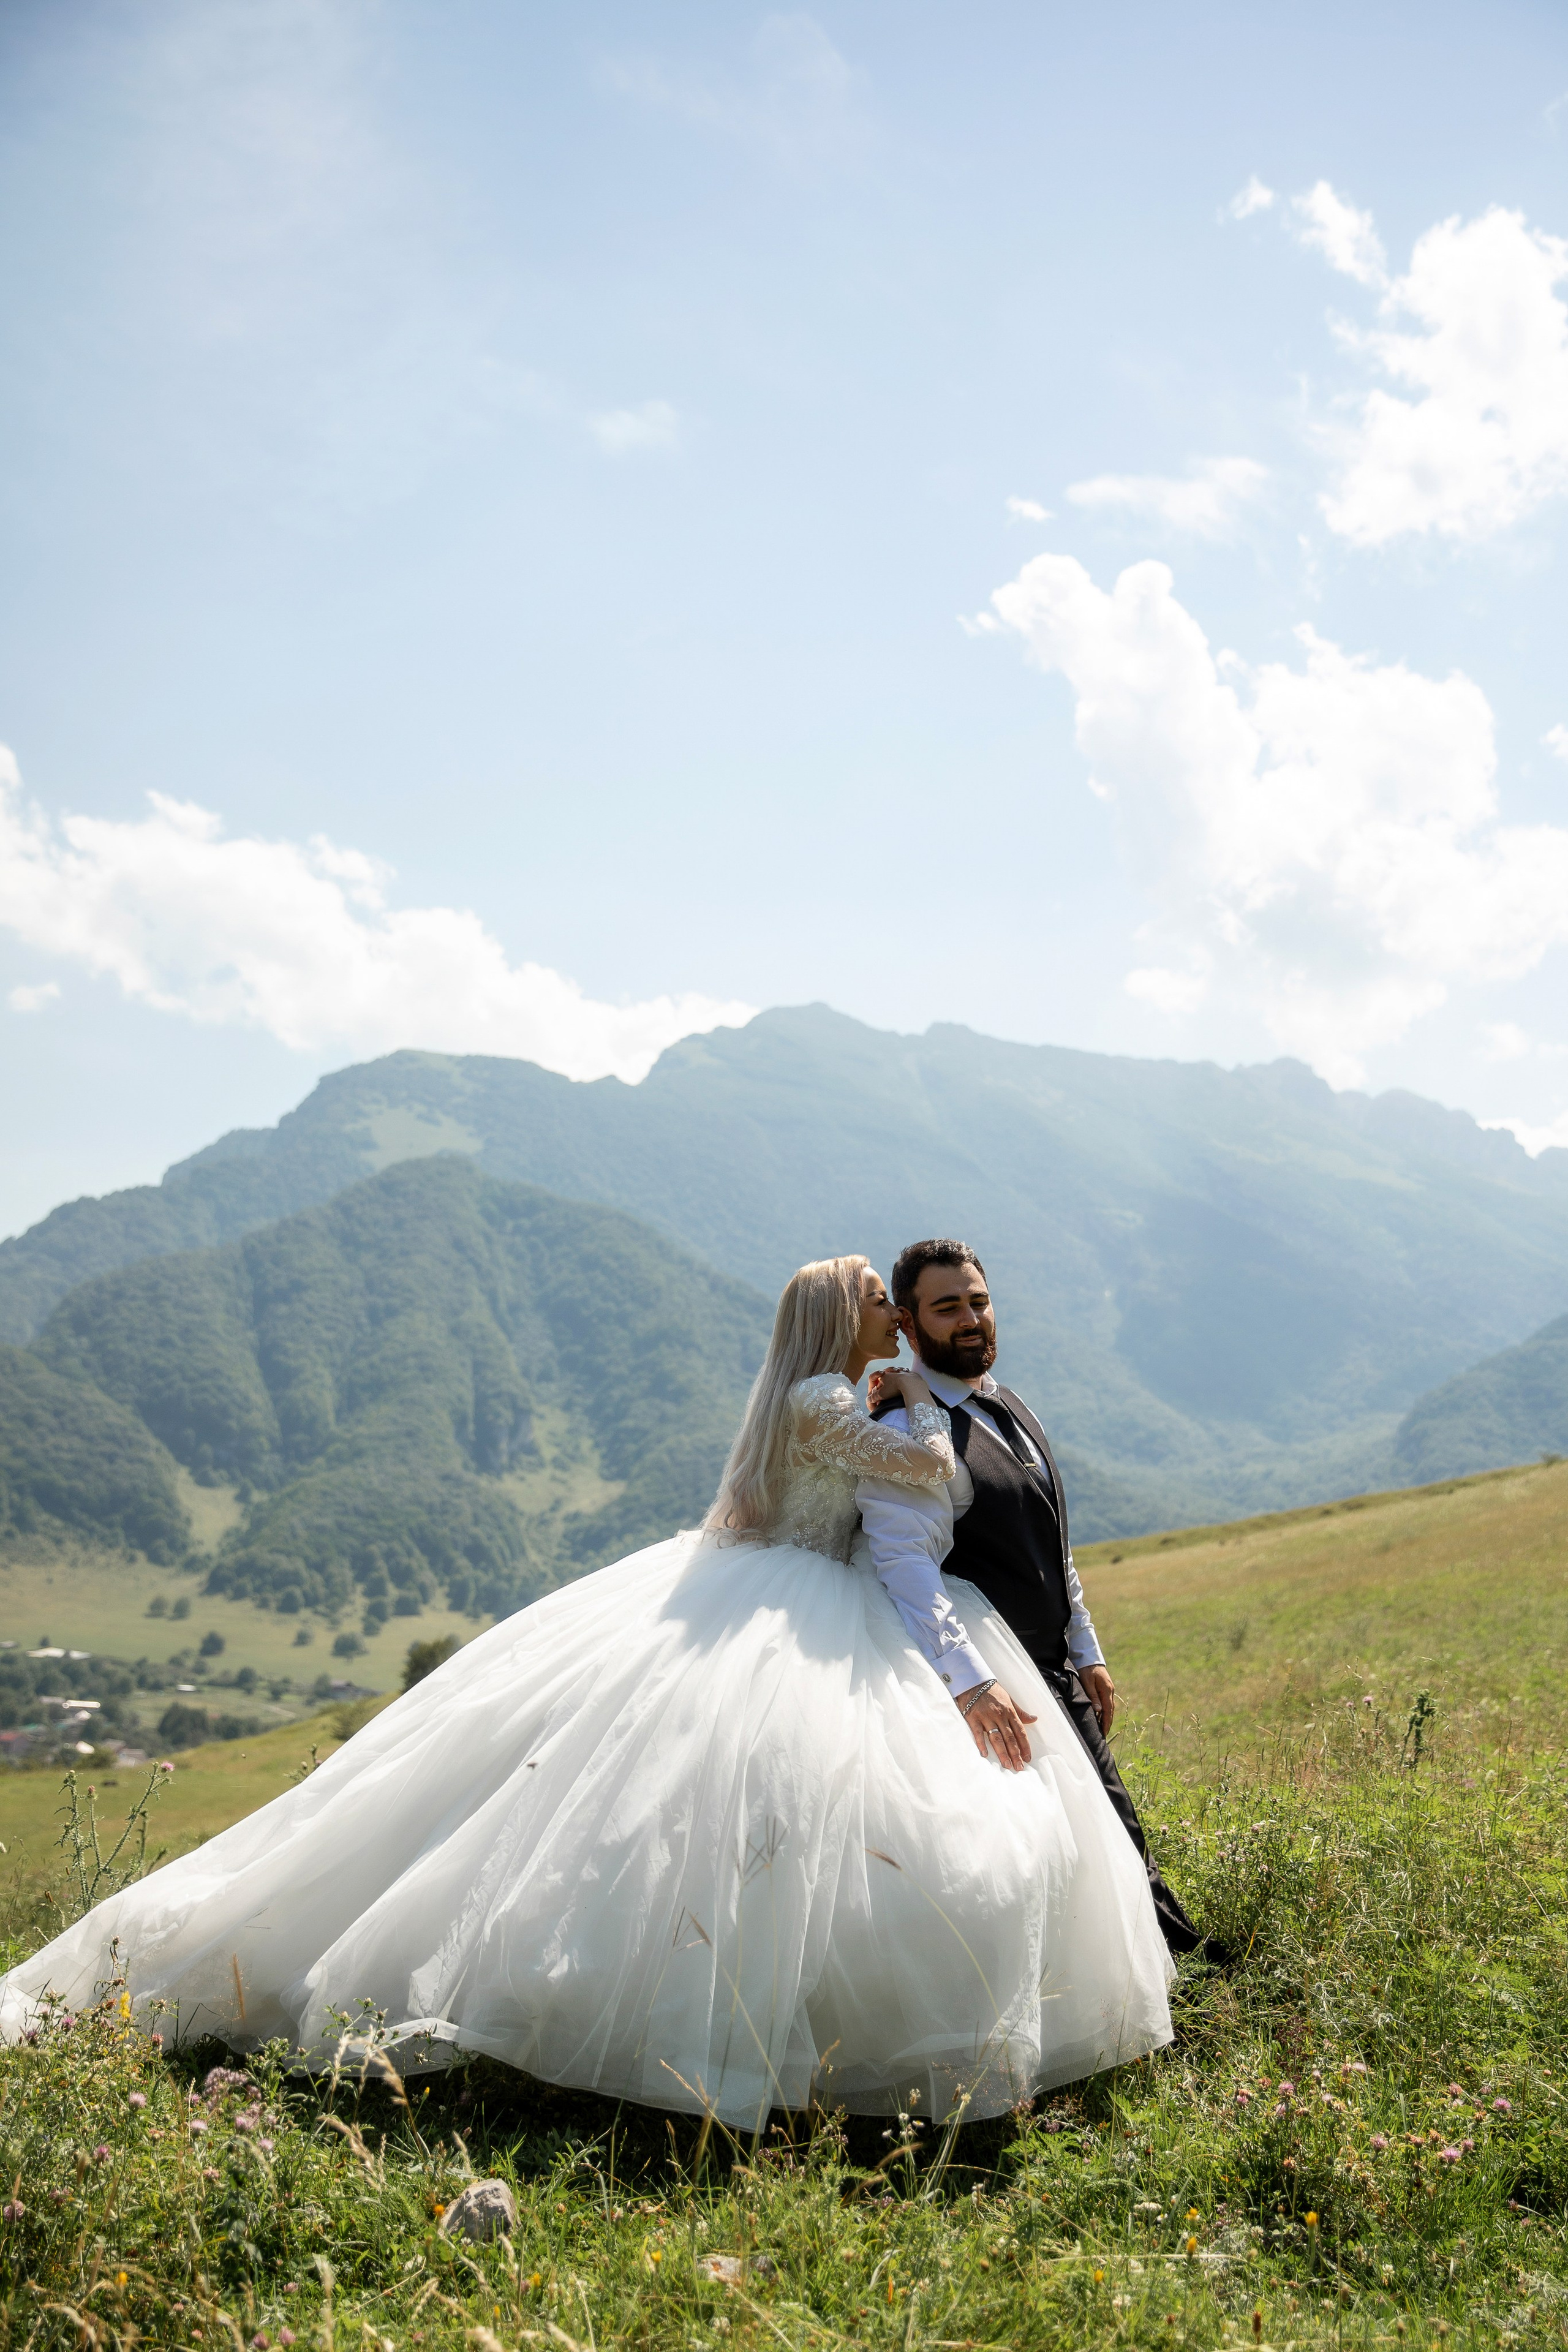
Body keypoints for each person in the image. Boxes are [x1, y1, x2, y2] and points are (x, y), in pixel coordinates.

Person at [0, 1257, 1173, 2130]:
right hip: (796, 1608)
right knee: (765, 1818)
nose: (887, 1301)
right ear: (845, 1318)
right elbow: (927, 1474)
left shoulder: (820, 1397)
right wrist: (915, 1398)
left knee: (742, 1818)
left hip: (768, 1591)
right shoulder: (835, 1401)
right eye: (878, 1292)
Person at [860, 1237, 1202, 1957]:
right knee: (1102, 1830)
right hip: (1002, 1683)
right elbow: (903, 1567)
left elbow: (1053, 1542)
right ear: (910, 1322)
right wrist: (972, 1684)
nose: (970, 1320)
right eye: (947, 1307)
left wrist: (1089, 1650)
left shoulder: (1010, 1406)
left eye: (978, 1302)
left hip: (1056, 1666)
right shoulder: (902, 1433)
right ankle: (1191, 1977)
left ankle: (1150, 1982)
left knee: (1086, 1838)